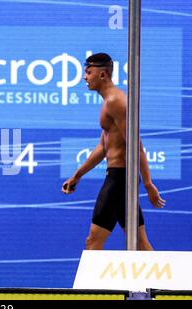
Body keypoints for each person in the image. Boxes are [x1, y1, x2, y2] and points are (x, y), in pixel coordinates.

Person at [61, 52, 166, 250]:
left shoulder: (116, 102)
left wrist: (148, 183)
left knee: (93, 242)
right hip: (120, 179)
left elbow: (136, 146)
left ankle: (90, 283)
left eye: (88, 72)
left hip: (119, 181)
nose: (84, 76)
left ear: (103, 75)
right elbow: (103, 147)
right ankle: (158, 283)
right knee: (140, 243)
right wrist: (77, 176)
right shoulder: (108, 102)